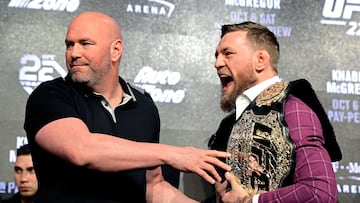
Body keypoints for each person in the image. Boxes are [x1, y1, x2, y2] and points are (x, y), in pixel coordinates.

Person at [23, 11, 231, 203]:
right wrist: (173, 154)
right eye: (69, 44)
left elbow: (153, 186)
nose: (74, 53)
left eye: (85, 44)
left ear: (116, 50)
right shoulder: (50, 95)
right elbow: (81, 150)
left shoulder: (144, 106)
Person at [207, 21, 342, 203]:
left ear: (260, 60)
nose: (217, 63)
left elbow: (319, 192)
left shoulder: (292, 107)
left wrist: (249, 201)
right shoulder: (227, 125)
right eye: (217, 55)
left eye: (228, 53)